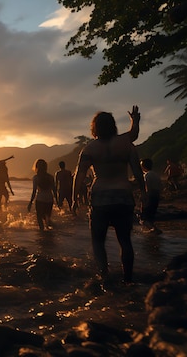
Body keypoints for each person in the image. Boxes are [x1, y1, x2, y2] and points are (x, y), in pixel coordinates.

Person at [72, 109, 146, 284]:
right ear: (113, 125)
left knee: (98, 241)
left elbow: (79, 175)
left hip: (100, 199)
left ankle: (104, 276)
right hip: (123, 197)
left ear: (94, 128)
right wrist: (144, 193)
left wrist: (75, 198)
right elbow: (137, 171)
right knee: (125, 241)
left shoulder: (90, 148)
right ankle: (128, 279)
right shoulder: (126, 144)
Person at [27, 159, 57, 231]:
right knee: (47, 217)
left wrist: (30, 203)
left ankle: (42, 234)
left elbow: (34, 191)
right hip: (49, 199)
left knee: (39, 218)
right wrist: (57, 200)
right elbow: (54, 190)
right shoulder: (50, 177)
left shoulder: (36, 178)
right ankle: (49, 232)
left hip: (40, 199)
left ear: (36, 167)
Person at [140, 158, 162, 233]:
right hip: (156, 195)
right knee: (151, 215)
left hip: (150, 195)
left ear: (143, 166)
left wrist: (145, 199)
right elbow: (160, 186)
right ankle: (152, 229)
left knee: (144, 218)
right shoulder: (156, 174)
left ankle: (154, 229)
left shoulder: (147, 175)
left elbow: (147, 187)